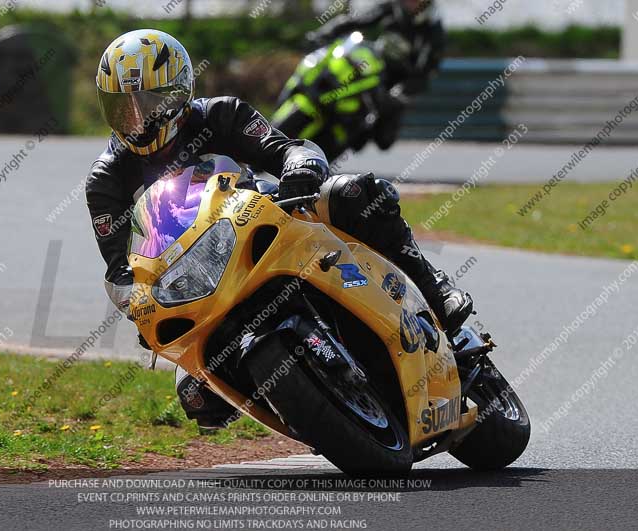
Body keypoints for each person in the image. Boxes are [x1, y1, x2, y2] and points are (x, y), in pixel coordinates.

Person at [86, 29, 472, 431]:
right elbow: (120, 272)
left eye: (147, 102)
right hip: (197, 283)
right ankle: (310, 409)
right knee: (199, 399)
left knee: (354, 193)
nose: (136, 118)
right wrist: (140, 307)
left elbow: (286, 147)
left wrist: (301, 166)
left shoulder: (220, 114)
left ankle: (435, 289)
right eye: (121, 107)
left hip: (265, 219)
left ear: (178, 92)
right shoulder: (106, 181)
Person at [297, 0, 446, 153]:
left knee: (383, 138)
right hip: (373, 70)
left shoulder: (434, 30)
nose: (410, 3)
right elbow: (356, 21)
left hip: (398, 84)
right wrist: (324, 34)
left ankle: (337, 147)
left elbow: (427, 71)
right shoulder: (391, 8)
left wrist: (400, 94)